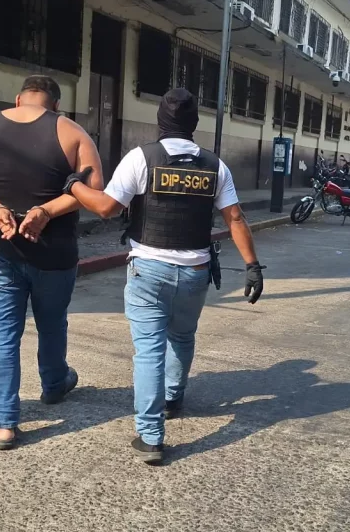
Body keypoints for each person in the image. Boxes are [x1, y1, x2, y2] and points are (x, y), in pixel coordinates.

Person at [64, 88, 264, 464]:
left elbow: (106, 207)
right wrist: (252, 266)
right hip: (195, 270)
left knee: (150, 350)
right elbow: (235, 217)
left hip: (149, 270)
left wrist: (74, 185)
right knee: (183, 335)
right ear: (194, 125)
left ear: (160, 122)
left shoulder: (142, 158)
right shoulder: (215, 166)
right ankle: (174, 396)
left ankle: (151, 435)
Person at [0, 76, 103, 450]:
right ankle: (53, 385)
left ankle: (4, 424)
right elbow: (97, 194)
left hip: (1, 250)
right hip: (56, 252)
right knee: (52, 323)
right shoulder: (72, 131)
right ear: (56, 104)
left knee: (4, 332)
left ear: (17, 100)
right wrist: (46, 211)